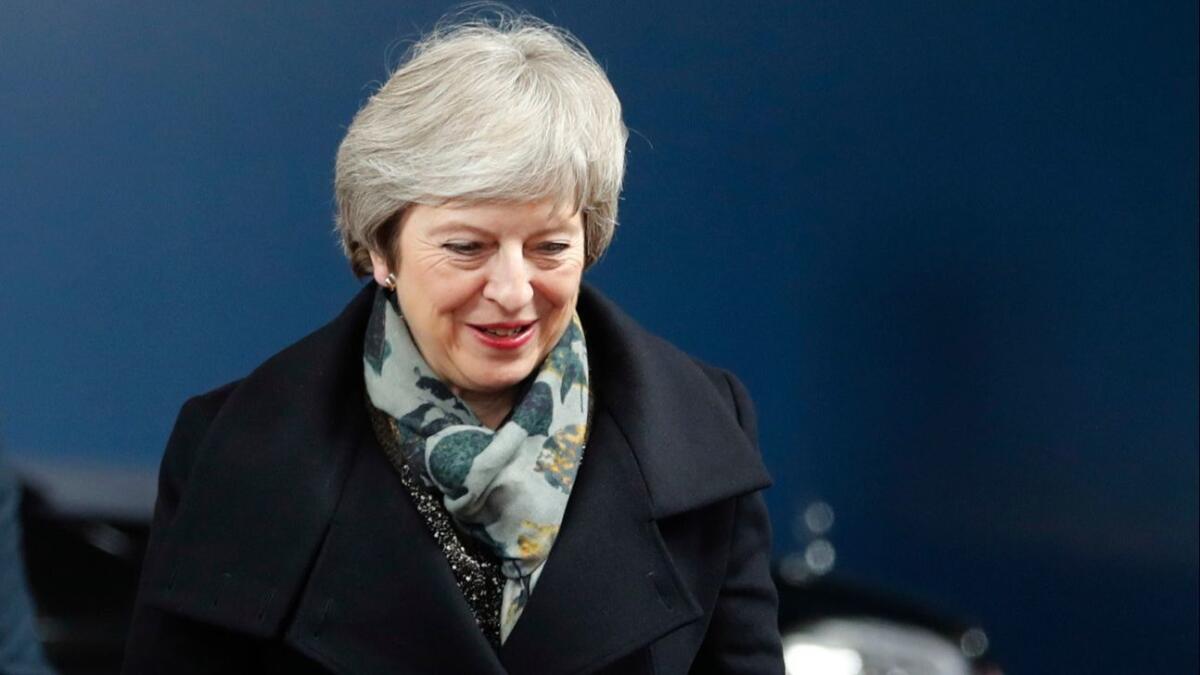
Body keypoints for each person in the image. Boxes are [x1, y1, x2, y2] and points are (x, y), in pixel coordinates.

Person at [123, 11, 783, 674]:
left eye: (550, 247)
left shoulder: (701, 433)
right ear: (380, 247)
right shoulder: (236, 450)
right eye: (468, 247)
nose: (514, 290)